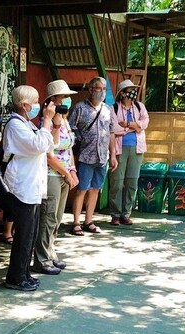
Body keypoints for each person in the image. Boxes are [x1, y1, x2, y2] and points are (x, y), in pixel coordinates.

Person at [2, 85, 56, 291]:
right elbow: (38, 146)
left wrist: (53, 125)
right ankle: (15, 276)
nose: (38, 105)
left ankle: (24, 272)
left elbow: (49, 144)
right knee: (23, 234)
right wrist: (48, 121)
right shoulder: (15, 125)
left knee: (30, 233)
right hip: (22, 186)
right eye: (34, 101)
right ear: (24, 105)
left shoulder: (28, 124)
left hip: (32, 185)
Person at [33, 79, 79, 275]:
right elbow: (49, 152)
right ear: (53, 100)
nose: (67, 101)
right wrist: (56, 125)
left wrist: (73, 170)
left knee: (58, 217)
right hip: (52, 174)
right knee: (48, 217)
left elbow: (68, 148)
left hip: (65, 173)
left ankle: (51, 252)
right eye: (63, 97)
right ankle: (41, 258)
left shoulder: (65, 119)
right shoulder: (46, 120)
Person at [68, 76, 117, 236]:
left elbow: (111, 133)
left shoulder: (108, 109)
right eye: (98, 88)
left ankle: (89, 220)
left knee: (96, 189)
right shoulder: (79, 108)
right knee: (82, 189)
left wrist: (114, 155)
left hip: (103, 156)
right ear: (90, 90)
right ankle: (76, 222)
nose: (101, 92)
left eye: (104, 89)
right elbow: (70, 129)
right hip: (85, 156)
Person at [110, 79, 149, 225]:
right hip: (119, 149)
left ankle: (126, 213)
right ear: (122, 94)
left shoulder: (140, 107)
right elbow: (114, 128)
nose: (132, 93)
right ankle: (115, 213)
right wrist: (134, 126)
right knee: (117, 182)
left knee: (132, 181)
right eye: (129, 90)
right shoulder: (113, 108)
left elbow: (144, 123)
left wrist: (126, 124)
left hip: (137, 148)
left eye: (133, 89)